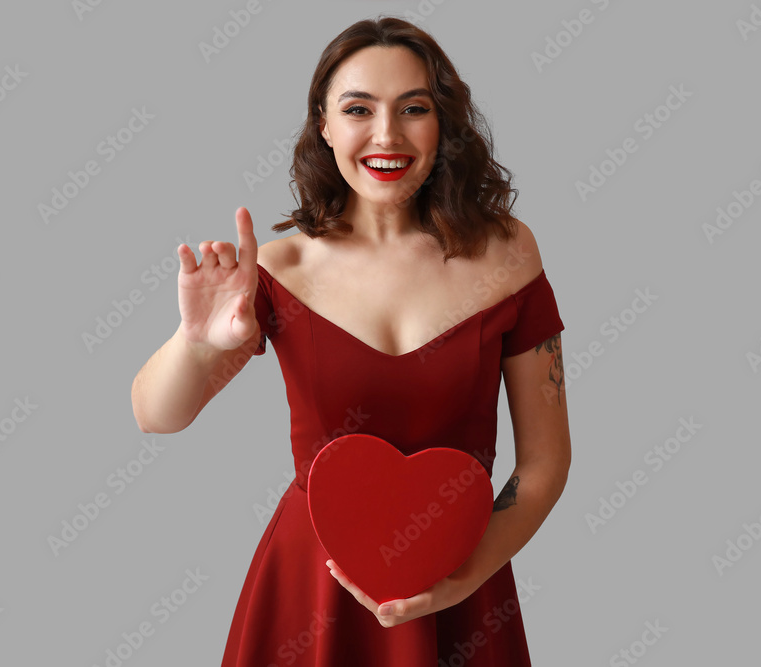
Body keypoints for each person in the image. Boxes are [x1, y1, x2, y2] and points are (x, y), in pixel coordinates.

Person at [131, 15, 571, 666]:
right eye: (358, 109)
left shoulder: (510, 254)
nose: (386, 135)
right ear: (324, 124)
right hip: (307, 590)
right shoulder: (281, 269)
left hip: (465, 589)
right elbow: (155, 414)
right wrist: (197, 342)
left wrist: (463, 575)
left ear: (442, 123)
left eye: (413, 109)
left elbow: (544, 464)